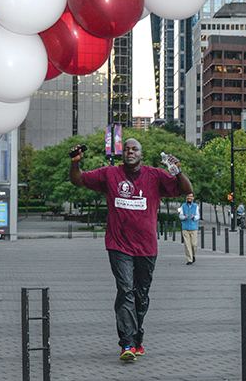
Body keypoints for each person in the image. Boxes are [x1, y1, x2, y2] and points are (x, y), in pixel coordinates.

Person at [70, 139, 192, 362]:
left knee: (141, 296)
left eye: (134, 149)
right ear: (122, 154)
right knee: (125, 290)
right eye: (126, 149)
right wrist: (76, 163)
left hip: (146, 247)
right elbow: (78, 180)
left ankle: (137, 338)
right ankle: (126, 343)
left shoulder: (155, 175)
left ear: (141, 155)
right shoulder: (109, 174)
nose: (130, 152)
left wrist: (178, 172)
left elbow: (186, 189)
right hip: (118, 245)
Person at [178, 193, 200, 265]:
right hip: (185, 228)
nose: (189, 198)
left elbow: (198, 216)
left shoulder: (196, 206)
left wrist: (194, 217)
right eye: (188, 196)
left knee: (194, 244)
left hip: (194, 228)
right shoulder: (183, 206)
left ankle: (193, 255)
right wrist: (185, 217)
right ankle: (189, 259)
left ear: (193, 198)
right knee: (187, 244)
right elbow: (180, 216)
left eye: (191, 196)